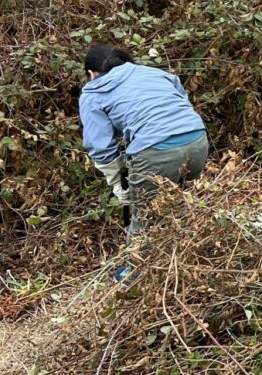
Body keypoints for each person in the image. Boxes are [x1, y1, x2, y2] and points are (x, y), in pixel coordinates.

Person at [79, 44, 209, 255]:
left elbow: (100, 148)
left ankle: (133, 280)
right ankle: (185, 257)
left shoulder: (93, 93)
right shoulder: (155, 73)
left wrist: (119, 186)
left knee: (144, 220)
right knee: (177, 204)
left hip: (157, 153)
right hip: (197, 140)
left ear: (91, 74)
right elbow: (180, 104)